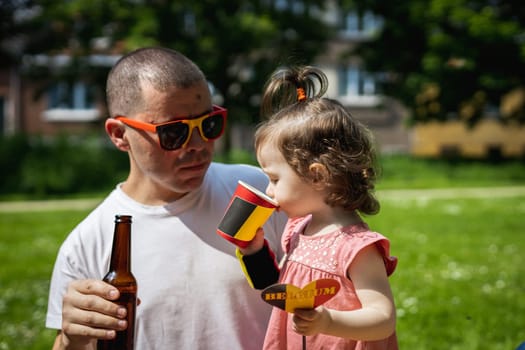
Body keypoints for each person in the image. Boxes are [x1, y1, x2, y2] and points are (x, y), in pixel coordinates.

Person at [45, 47, 287, 350]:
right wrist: (71, 340)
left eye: (209, 124)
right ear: (119, 134)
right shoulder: (88, 243)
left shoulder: (264, 191)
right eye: (174, 133)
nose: (198, 145)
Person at [236, 66, 399, 349]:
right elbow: (282, 289)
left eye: (274, 179)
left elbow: (383, 318)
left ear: (317, 175)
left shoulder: (356, 248)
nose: (268, 191)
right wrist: (254, 253)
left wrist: (328, 322)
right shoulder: (298, 229)